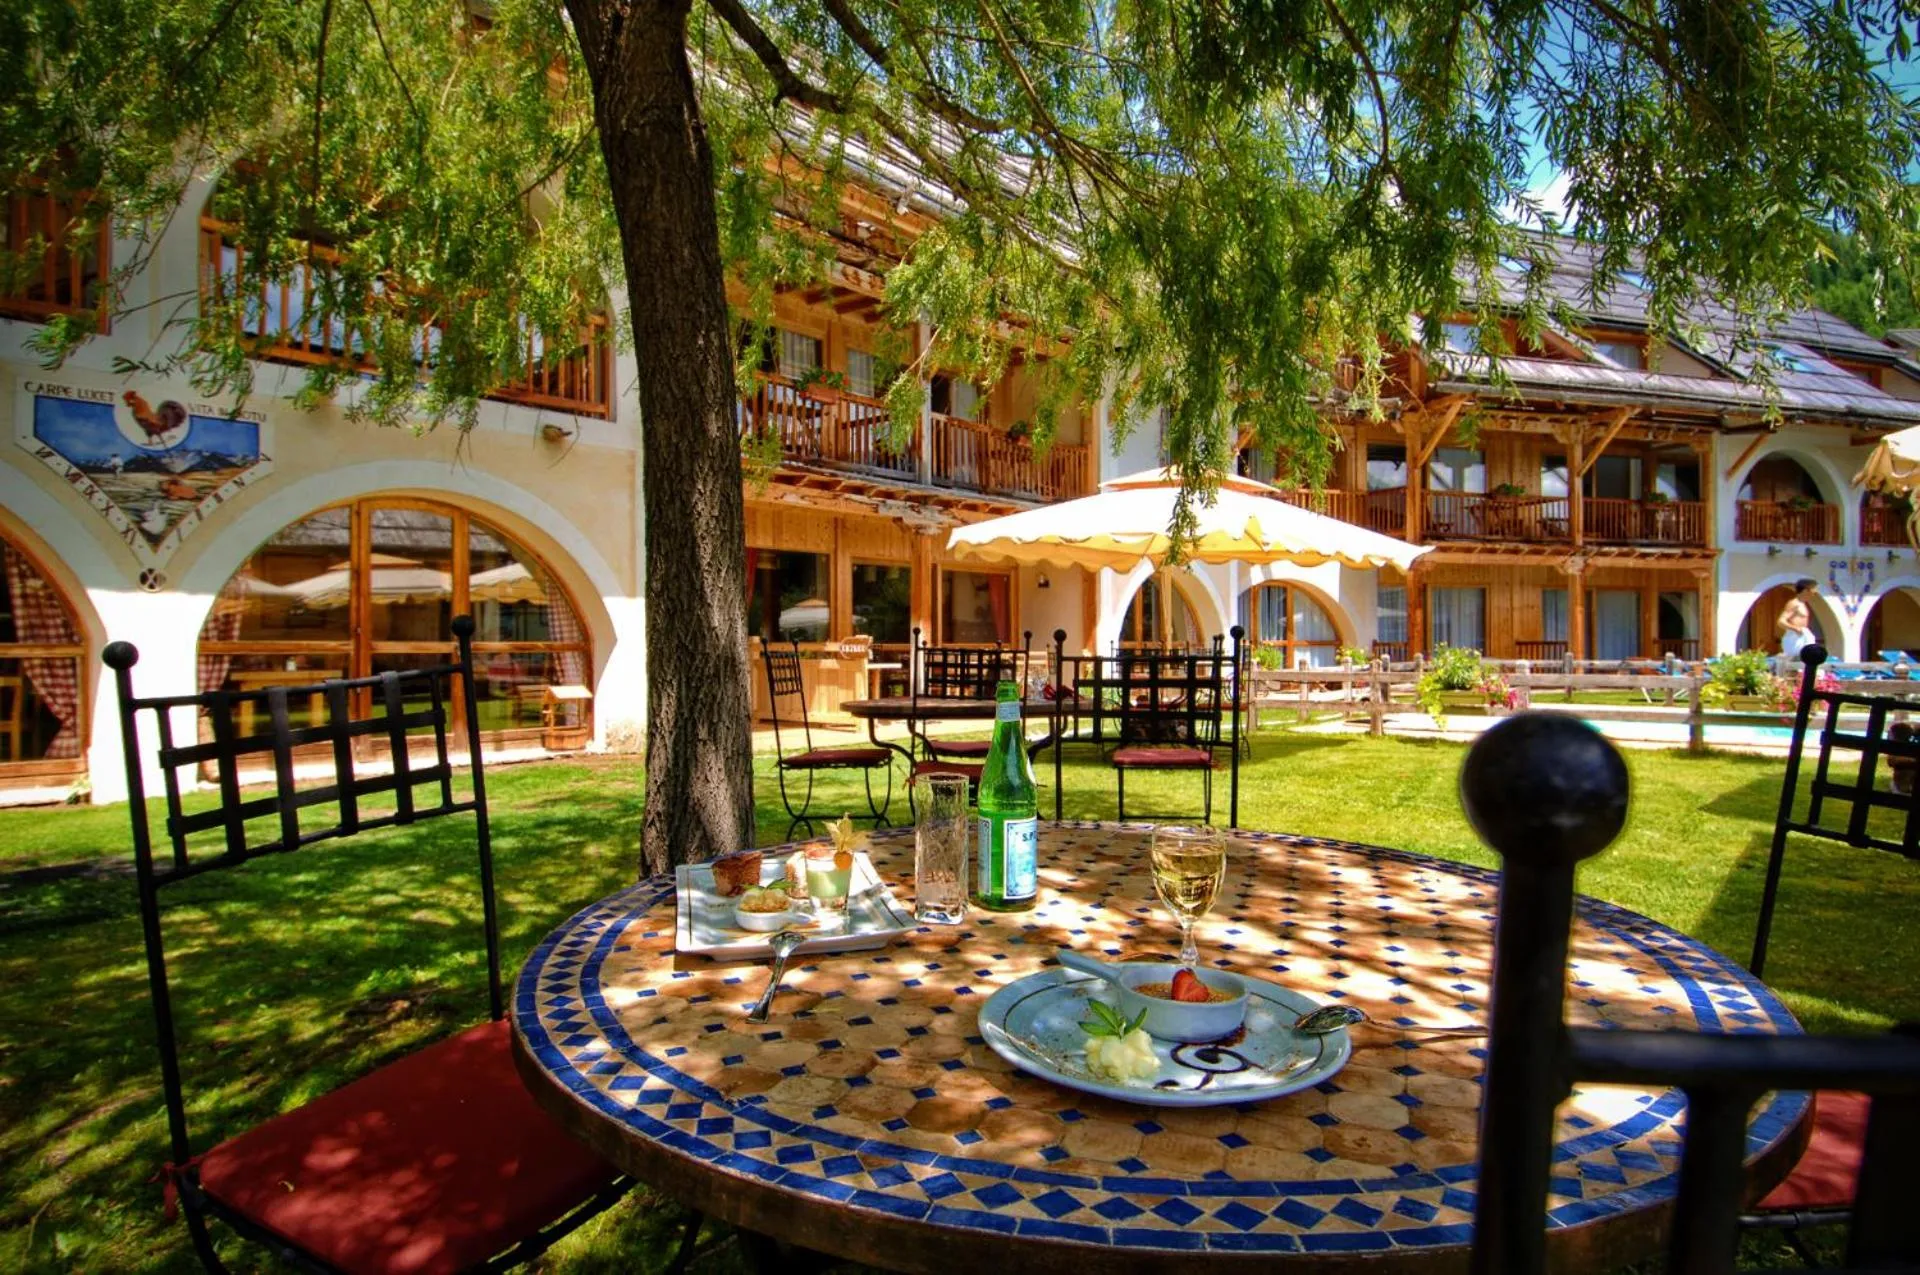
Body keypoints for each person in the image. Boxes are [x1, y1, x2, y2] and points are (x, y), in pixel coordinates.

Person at [1777, 578, 1820, 662]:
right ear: (1806, 590)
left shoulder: (1802, 604)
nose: (1816, 592)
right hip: (1795, 636)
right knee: (1794, 663)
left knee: (1808, 660)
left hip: (1802, 634)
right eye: (1814, 589)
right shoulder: (1794, 603)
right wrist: (1795, 628)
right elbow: (1781, 621)